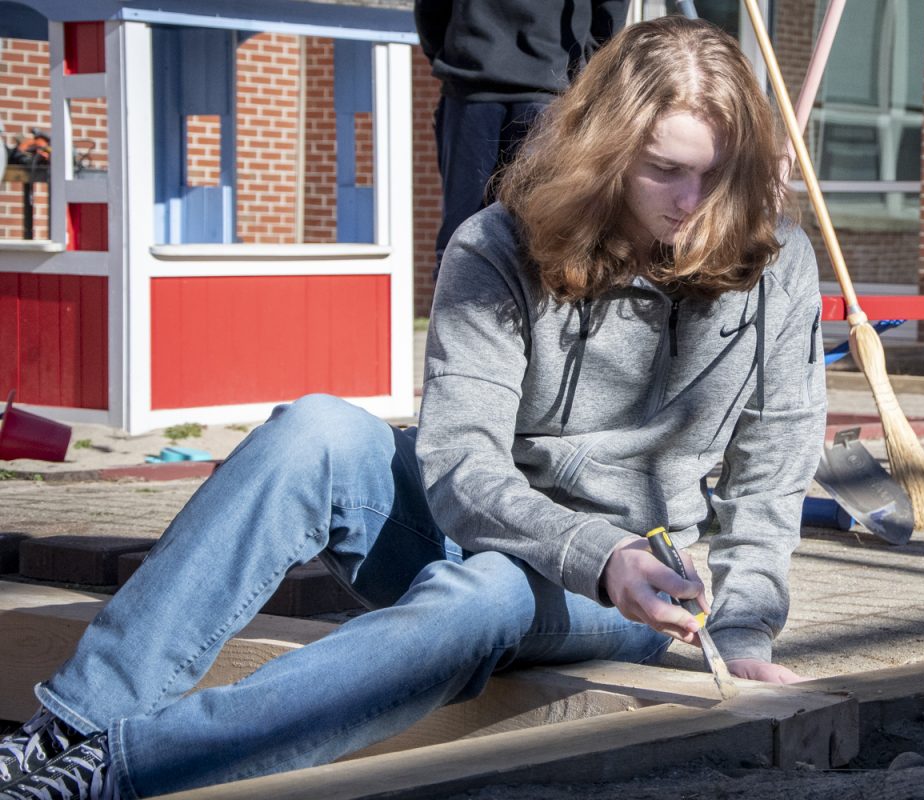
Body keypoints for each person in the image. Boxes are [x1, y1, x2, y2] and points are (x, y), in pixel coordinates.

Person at [0, 16, 826, 800]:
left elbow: (774, 463)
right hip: (478, 524)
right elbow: (462, 466)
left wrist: (745, 628)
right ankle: (68, 726)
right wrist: (589, 545)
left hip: (636, 586)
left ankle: (123, 769)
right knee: (315, 430)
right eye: (664, 169)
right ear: (608, 153)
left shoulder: (777, 265)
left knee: (490, 593)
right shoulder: (502, 246)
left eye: (714, 173)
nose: (691, 200)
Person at [415, 0, 630, 280]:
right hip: (549, 81)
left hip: (474, 81)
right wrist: (586, 69)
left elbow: (430, 12)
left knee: (463, 236)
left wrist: (454, 54)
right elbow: (609, 12)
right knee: (543, 235)